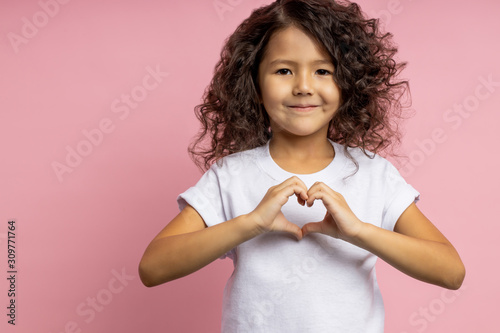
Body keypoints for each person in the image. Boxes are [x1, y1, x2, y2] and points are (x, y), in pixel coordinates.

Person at [139, 0, 465, 332]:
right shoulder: (231, 176)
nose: (303, 86)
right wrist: (250, 224)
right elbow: (152, 267)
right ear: (254, 85)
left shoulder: (373, 173)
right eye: (284, 70)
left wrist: (358, 231)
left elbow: (451, 272)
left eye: (323, 71)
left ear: (347, 84)